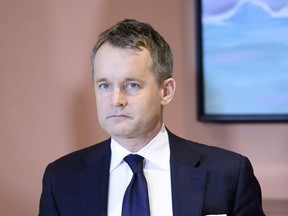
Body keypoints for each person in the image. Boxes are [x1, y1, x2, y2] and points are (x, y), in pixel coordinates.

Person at [39, 19, 266, 216]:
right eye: (105, 85)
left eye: (132, 85)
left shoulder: (229, 174)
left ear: (165, 91)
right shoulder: (60, 179)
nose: (115, 99)